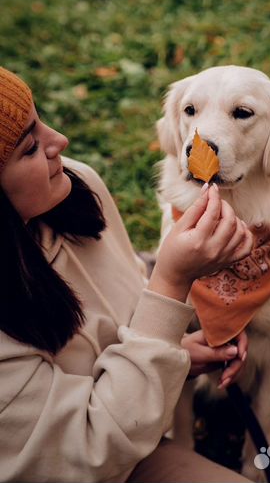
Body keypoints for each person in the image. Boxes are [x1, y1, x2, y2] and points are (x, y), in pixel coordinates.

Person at [0, 66, 254, 483]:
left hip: (137, 436)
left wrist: (174, 349)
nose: (59, 141)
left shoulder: (75, 185)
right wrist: (171, 281)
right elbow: (86, 453)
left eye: (40, 118)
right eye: (29, 148)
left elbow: (128, 307)